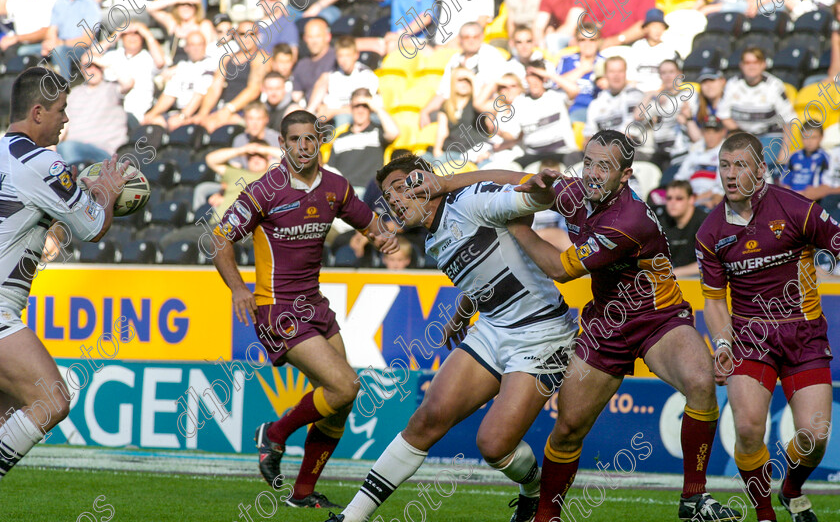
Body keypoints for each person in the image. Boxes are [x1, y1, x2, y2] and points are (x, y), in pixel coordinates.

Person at [406, 129, 740, 522]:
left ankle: (694, 500)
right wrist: (444, 182)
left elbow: (558, 269)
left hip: (658, 318)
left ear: (626, 174)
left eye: (605, 166)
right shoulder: (579, 191)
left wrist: (511, 222)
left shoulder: (628, 219)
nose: (593, 173)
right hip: (606, 326)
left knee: (701, 383)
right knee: (568, 428)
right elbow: (509, 177)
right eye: (588, 162)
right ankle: (546, 515)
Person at [326, 155, 579, 522]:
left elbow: (538, 198)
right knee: (426, 420)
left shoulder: (471, 199)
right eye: (387, 194)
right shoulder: (433, 241)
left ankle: (534, 490)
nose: (394, 200)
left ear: (424, 179)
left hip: (542, 333)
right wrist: (460, 316)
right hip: (493, 327)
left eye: (400, 188)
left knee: (494, 446)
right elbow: (480, 280)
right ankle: (352, 517)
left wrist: (535, 185)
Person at [210, 110, 397, 508]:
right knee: (345, 385)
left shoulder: (336, 186)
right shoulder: (264, 190)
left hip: (315, 305)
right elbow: (220, 239)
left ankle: (303, 492)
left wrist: (388, 234)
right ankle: (274, 434)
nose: (302, 146)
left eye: (309, 138)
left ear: (320, 141)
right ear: (282, 144)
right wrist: (238, 287)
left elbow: (372, 225)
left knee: (340, 405)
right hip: (277, 308)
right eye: (293, 139)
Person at [697, 132, 837, 522]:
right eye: (724, 165)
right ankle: (763, 514)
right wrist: (722, 344)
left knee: (815, 437)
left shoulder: (797, 208)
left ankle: (791, 490)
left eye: (739, 165)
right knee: (747, 428)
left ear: (761, 170)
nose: (729, 174)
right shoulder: (710, 232)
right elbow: (712, 299)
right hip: (750, 337)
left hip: (804, 333)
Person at [0, 66, 128, 487]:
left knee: (5, 414)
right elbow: (93, 226)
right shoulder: (41, 161)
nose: (65, 120)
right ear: (37, 112)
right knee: (51, 398)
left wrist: (48, 226)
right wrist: (106, 192)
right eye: (61, 110)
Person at [717, 47, 797, 172]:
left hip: (769, 135)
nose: (751, 67)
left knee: (757, 169)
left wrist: (785, 150)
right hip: (741, 136)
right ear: (741, 65)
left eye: (756, 62)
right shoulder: (732, 84)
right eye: (747, 63)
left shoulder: (774, 86)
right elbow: (723, 115)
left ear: (763, 64)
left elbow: (788, 119)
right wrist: (742, 135)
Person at [419, 23, 508, 128]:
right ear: (460, 39)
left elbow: (493, 91)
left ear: (482, 37)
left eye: (475, 37)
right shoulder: (455, 59)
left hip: (480, 110)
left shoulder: (490, 55)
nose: (471, 41)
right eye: (466, 37)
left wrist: (470, 77)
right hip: (459, 108)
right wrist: (425, 111)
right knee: (432, 117)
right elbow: (444, 91)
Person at [503, 60, 579, 168]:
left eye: (538, 77)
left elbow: (574, 90)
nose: (534, 81)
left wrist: (548, 74)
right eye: (530, 76)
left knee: (578, 164)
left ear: (544, 78)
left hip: (561, 152)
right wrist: (495, 131)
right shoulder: (519, 102)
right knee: (512, 167)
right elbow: (512, 134)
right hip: (534, 155)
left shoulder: (555, 96)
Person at [94, 23, 166, 130]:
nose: (132, 38)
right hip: (111, 113)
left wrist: (146, 32)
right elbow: (87, 58)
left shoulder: (148, 58)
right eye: (128, 34)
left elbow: (160, 62)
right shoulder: (112, 56)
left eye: (136, 34)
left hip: (139, 116)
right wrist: (116, 34)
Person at [325, 88, 400, 190]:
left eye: (365, 106)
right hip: (345, 192)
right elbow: (330, 170)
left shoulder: (377, 132)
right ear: (351, 108)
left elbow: (394, 133)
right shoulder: (340, 138)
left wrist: (377, 108)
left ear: (370, 108)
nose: (360, 110)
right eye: (356, 106)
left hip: (370, 191)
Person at [56, 60, 127, 166]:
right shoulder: (74, 93)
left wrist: (106, 63)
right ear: (82, 70)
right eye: (89, 66)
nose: (93, 70)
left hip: (104, 152)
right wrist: (52, 145)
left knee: (68, 147)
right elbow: (65, 124)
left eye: (97, 66)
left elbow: (128, 83)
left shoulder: (111, 89)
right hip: (73, 148)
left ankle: (72, 180)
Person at [142, 31, 215, 131]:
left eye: (200, 44)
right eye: (192, 45)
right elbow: (169, 95)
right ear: (186, 48)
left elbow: (199, 95)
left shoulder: (210, 65)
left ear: (205, 46)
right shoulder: (182, 66)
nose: (196, 48)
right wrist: (151, 115)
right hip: (177, 111)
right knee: (155, 121)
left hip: (196, 112)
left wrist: (182, 116)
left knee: (174, 123)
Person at [40, 0, 101, 80]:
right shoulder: (60, 2)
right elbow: (52, 29)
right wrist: (49, 43)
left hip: (80, 48)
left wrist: (60, 43)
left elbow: (87, 40)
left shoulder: (90, 4)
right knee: (24, 51)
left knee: (60, 51)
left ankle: (63, 88)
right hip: (59, 44)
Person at [307, 36, 380, 127]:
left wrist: (333, 111)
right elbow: (329, 104)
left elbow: (364, 107)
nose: (344, 60)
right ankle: (308, 115)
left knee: (343, 118)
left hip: (359, 118)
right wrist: (322, 108)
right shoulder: (333, 75)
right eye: (341, 56)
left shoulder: (366, 75)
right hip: (334, 114)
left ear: (356, 55)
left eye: (348, 55)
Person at [0, 0, 67, 57]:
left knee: (19, 53)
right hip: (18, 43)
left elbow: (46, 31)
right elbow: (1, 10)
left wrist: (17, 38)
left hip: (40, 45)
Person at [583, 56, 645, 147]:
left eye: (620, 71)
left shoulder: (635, 96)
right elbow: (588, 137)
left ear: (625, 73)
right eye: (612, 72)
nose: (616, 75)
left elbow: (629, 134)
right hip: (604, 153)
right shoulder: (596, 103)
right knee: (573, 157)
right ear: (605, 75)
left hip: (632, 151)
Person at [673, 114, 727, 210]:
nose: (711, 136)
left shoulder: (726, 152)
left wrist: (697, 199)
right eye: (707, 131)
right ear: (702, 132)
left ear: (723, 132)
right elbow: (680, 178)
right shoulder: (696, 149)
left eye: (715, 132)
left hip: (711, 201)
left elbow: (720, 190)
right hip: (691, 199)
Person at [147, 0, 216, 65]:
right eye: (182, 5)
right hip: (173, 68)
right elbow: (150, 8)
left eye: (190, 5)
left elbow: (206, 53)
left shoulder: (203, 25)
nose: (186, 8)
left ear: (196, 8)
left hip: (196, 67)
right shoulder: (173, 23)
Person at [553, 27, 604, 123]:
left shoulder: (605, 62)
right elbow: (556, 84)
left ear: (599, 41)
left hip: (597, 110)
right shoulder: (566, 60)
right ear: (576, 42)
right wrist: (581, 70)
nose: (587, 44)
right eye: (582, 40)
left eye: (592, 40)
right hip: (569, 108)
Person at [662, 180, 707, 278]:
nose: (673, 203)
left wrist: (674, 273)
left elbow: (709, 263)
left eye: (679, 198)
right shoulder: (662, 222)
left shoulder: (705, 223)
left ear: (691, 199)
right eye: (669, 198)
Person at [628, 9, 679, 94]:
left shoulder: (669, 49)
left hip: (661, 94)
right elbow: (630, 76)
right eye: (654, 26)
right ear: (646, 28)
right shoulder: (637, 46)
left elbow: (674, 79)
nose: (658, 30)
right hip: (637, 92)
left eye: (660, 27)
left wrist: (658, 92)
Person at [293, 19, 337, 104]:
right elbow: (296, 95)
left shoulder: (337, 58)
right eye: (310, 37)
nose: (314, 41)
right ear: (305, 38)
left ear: (328, 37)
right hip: (308, 111)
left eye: (318, 36)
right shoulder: (301, 64)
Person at [680, 67, 726, 144]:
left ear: (722, 81)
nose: (708, 85)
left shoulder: (731, 103)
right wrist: (688, 119)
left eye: (712, 80)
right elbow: (698, 139)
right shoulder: (699, 107)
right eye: (704, 82)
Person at [782, 122, 830, 194]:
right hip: (791, 198)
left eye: (813, 137)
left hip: (813, 200)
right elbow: (785, 183)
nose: (809, 141)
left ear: (821, 137)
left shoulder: (825, 158)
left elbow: (826, 186)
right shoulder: (794, 157)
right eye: (805, 137)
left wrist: (804, 195)